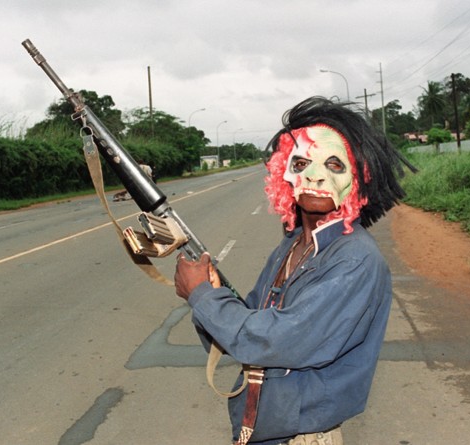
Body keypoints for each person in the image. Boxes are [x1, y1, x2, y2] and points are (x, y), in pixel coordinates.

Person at [174, 96, 415, 445]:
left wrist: (201, 296)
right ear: (282, 174)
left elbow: (278, 340)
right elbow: (250, 323)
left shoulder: (355, 260)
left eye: (334, 164)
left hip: (301, 437)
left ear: (359, 178)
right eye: (301, 162)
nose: (315, 175)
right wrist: (214, 293)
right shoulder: (292, 244)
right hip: (264, 428)